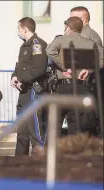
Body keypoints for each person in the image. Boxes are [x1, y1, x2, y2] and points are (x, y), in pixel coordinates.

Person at [46, 16, 104, 136]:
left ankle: (50, 153)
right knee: (76, 126)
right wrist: (89, 69)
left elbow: (49, 51)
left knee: (54, 126)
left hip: (62, 88)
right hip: (81, 88)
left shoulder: (62, 40)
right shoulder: (90, 43)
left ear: (68, 27)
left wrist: (64, 66)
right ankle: (73, 152)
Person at [10, 17, 48, 156]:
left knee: (34, 129)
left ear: (25, 29)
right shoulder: (24, 45)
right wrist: (14, 76)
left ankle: (40, 161)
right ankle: (20, 162)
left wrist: (21, 78)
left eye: (19, 29)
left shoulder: (37, 45)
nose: (18, 32)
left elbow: (38, 69)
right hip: (24, 91)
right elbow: (20, 66)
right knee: (22, 129)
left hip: (33, 91)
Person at [70, 6, 104, 138]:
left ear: (82, 19)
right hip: (87, 85)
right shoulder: (90, 34)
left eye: (72, 18)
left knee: (83, 124)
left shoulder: (85, 35)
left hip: (85, 85)